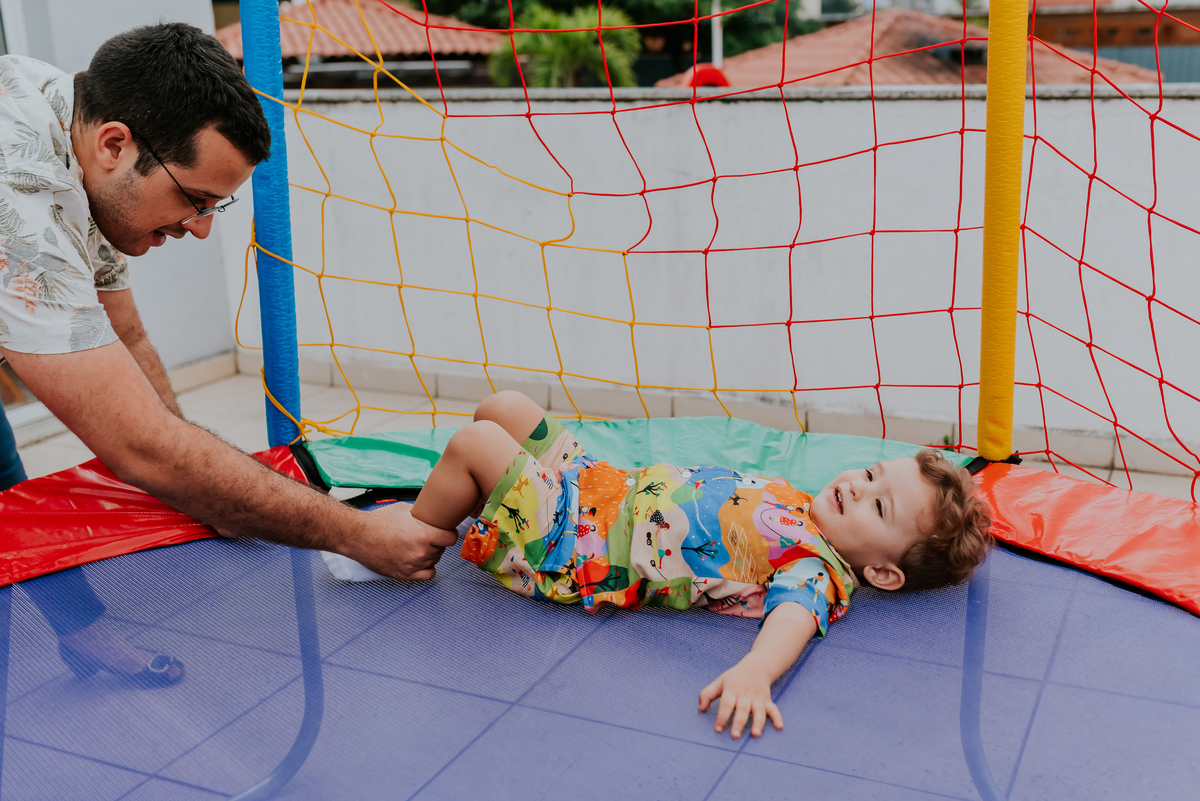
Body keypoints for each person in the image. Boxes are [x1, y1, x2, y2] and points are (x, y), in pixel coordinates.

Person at [0, 25, 452, 681]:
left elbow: (127, 337)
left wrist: (204, 492)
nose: (201, 227)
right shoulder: (25, 203)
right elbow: (141, 445)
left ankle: (83, 633)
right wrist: (356, 533)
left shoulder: (70, 115)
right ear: (114, 145)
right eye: (195, 198)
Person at [351, 390, 993, 739]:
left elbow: (793, 615)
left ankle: (410, 542)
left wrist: (755, 674)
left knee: (477, 443)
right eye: (872, 473)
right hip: (597, 487)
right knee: (505, 409)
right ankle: (469, 499)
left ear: (881, 571)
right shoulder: (804, 504)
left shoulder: (814, 562)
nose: (857, 484)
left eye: (878, 506)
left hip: (578, 548)